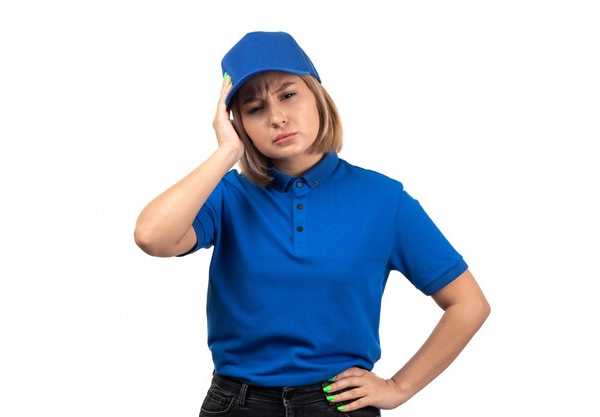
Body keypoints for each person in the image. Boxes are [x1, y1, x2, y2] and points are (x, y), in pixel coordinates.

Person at [134, 31, 490, 417]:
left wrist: (398, 387)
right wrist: (225, 153)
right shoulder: (227, 196)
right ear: (238, 124)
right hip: (236, 404)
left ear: (317, 95)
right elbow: (152, 237)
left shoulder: (384, 200)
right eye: (255, 109)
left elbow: (468, 304)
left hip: (339, 404)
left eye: (288, 95)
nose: (277, 117)